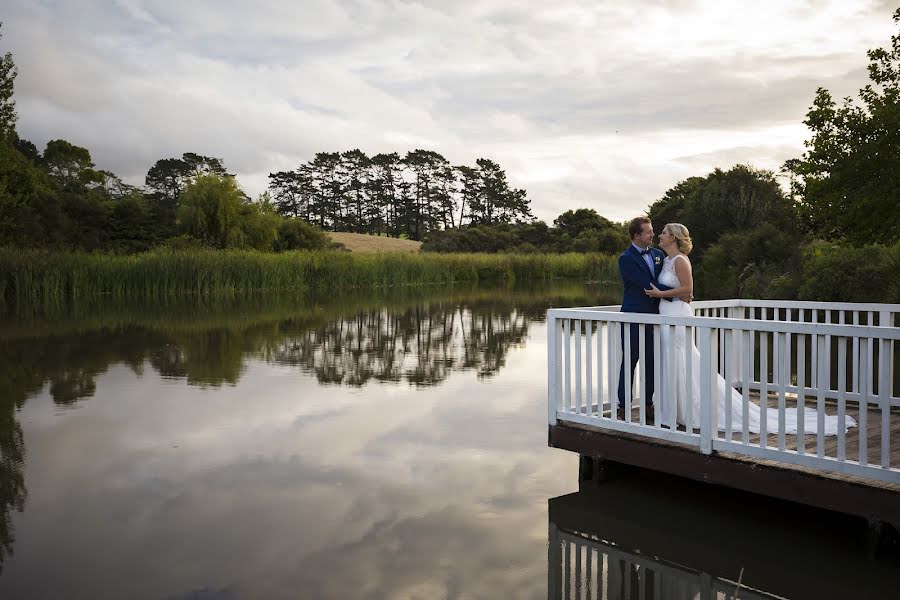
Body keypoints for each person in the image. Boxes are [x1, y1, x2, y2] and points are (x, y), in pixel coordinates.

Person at [645, 223, 856, 434]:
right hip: (666, 316)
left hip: (678, 317)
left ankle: (688, 410)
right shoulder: (666, 260)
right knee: (671, 361)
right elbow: (681, 291)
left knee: (682, 360)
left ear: (673, 237)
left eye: (663, 233)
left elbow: (688, 291)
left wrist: (659, 295)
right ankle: (674, 409)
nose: (660, 236)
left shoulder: (681, 260)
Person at [616, 216, 689, 422]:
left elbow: (667, 278)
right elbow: (647, 285)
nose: (653, 234)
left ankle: (648, 405)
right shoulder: (626, 258)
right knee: (629, 361)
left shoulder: (659, 255)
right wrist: (680, 294)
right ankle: (624, 407)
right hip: (633, 316)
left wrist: (681, 292)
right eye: (648, 232)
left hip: (657, 319)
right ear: (636, 235)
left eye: (653, 231)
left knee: (651, 362)